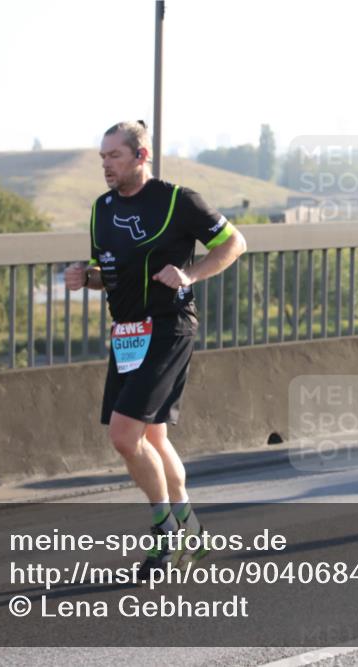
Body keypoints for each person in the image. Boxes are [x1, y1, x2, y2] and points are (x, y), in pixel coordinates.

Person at [65, 121, 246, 576]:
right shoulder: (101, 209)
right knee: (154, 438)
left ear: (140, 157)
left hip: (169, 327)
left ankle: (166, 533)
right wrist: (82, 277)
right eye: (103, 157)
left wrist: (191, 274)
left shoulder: (176, 200)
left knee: (124, 436)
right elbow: (107, 271)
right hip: (127, 333)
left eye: (115, 156)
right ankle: (192, 530)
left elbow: (234, 243)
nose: (106, 164)